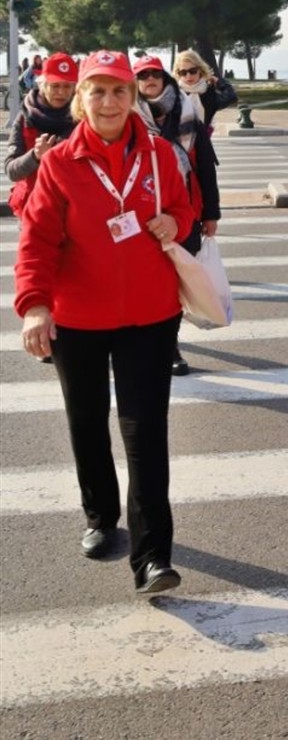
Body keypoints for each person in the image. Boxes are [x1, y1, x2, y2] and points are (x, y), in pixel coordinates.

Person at [13, 50, 194, 593]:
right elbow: (38, 243)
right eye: (97, 91)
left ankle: (153, 556)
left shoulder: (161, 156)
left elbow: (188, 207)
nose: (109, 101)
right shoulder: (61, 164)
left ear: (133, 97)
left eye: (119, 91)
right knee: (87, 423)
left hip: (150, 316)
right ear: (81, 102)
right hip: (79, 320)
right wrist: (35, 305)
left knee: (145, 435)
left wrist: (175, 219)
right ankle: (100, 517)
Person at [135, 55, 221, 377]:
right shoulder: (124, 117)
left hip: (184, 210)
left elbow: (205, 168)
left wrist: (211, 214)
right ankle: (143, 340)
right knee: (147, 282)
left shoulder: (187, 112)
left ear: (164, 77)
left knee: (174, 284)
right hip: (142, 215)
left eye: (155, 73)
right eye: (143, 75)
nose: (150, 79)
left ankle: (170, 347)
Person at [5, 52, 79, 217]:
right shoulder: (25, 118)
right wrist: (35, 156)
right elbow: (11, 170)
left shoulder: (83, 119)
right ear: (43, 85)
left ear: (75, 89)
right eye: (55, 86)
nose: (61, 92)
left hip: (72, 209)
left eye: (67, 86)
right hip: (33, 209)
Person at [172, 50, 237, 131]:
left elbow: (231, 97)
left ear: (200, 70)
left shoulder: (209, 92)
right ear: (178, 73)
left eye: (192, 71)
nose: (188, 76)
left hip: (202, 141)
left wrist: (220, 83)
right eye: (183, 72)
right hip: (176, 141)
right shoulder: (174, 93)